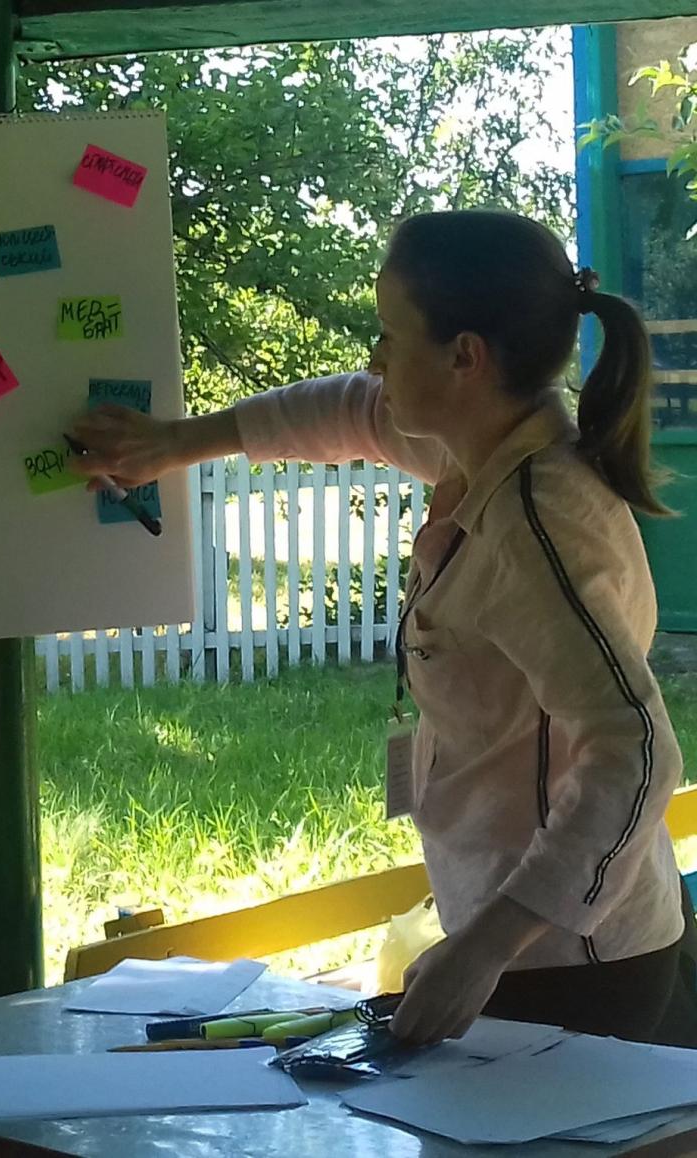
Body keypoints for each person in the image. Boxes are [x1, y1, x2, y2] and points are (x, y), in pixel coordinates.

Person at [68, 208, 697, 1048]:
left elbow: (636, 751)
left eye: (391, 336)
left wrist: (485, 947)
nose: (375, 357)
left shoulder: (535, 522)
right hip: (527, 940)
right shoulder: (481, 448)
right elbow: (355, 411)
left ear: (465, 358)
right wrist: (177, 444)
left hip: (570, 965)